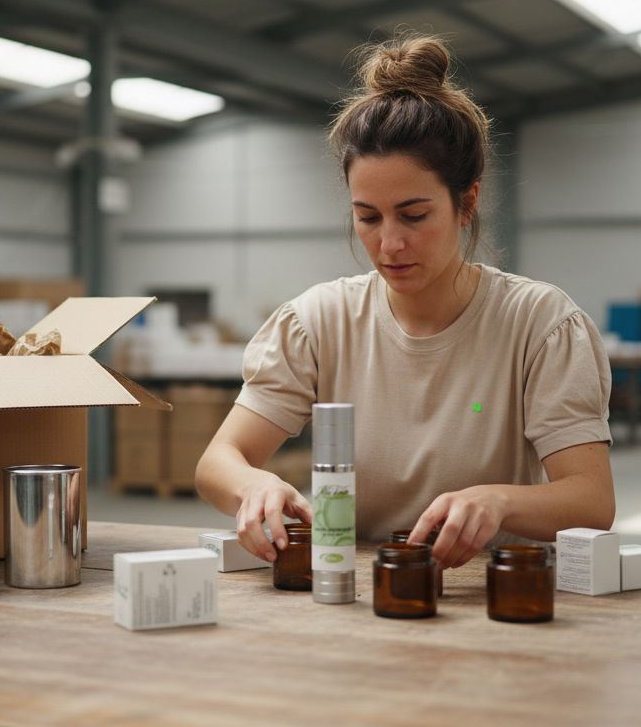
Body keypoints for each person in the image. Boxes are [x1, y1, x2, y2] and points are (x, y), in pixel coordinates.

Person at [195, 34, 614, 570]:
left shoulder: (541, 324)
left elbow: (592, 501)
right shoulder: (318, 322)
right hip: (351, 592)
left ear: (467, 202)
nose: (389, 243)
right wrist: (253, 485)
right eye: (367, 217)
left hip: (486, 599)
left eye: (414, 215)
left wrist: (498, 500)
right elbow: (218, 462)